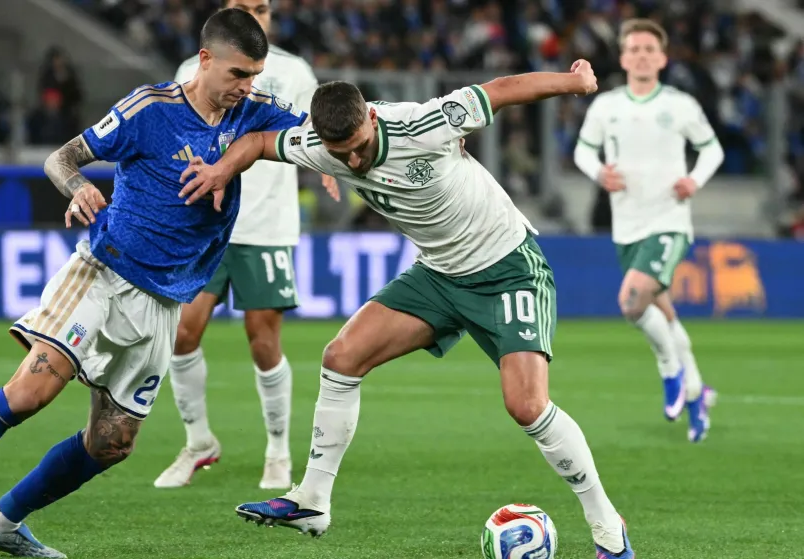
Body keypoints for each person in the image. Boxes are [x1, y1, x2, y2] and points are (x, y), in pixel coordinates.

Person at [0, 9, 308, 558]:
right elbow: (61, 157)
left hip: (164, 302)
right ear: (205, 60)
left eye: (254, 75)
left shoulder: (254, 110)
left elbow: (306, 131)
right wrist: (77, 187)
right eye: (238, 74)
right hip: (103, 273)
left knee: (112, 444)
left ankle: (2, 522)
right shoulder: (148, 108)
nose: (247, 86)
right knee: (29, 393)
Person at [179, 60, 636, 558]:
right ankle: (312, 499)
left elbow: (501, 90)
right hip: (438, 275)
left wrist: (575, 83)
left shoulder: (425, 122)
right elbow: (261, 143)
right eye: (341, 154)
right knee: (341, 357)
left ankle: (606, 523)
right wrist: (222, 168)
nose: (353, 162)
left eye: (358, 148)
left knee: (526, 405)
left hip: (507, 267)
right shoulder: (319, 145)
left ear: (371, 119)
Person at [154, 0, 337, 491]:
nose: (254, 15)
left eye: (262, 7)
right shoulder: (194, 69)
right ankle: (198, 442)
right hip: (204, 225)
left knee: (263, 341)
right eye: (243, 6)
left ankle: (277, 451)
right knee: (182, 335)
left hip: (266, 226)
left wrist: (330, 168)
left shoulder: (292, 70)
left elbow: (314, 128)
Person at [573, 19, 724, 443]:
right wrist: (600, 173)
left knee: (632, 300)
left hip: (669, 221)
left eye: (648, 49)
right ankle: (697, 393)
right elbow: (583, 150)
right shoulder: (607, 107)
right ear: (623, 58)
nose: (640, 55)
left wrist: (694, 180)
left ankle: (670, 371)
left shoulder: (680, 105)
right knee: (664, 311)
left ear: (662, 58)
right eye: (633, 49)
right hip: (627, 225)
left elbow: (712, 149)